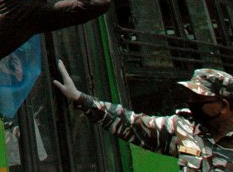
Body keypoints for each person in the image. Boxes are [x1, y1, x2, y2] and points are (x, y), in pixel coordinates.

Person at [54, 61, 233, 171]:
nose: (191, 102)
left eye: (198, 98)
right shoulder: (185, 129)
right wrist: (80, 98)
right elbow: (132, 123)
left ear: (223, 106)